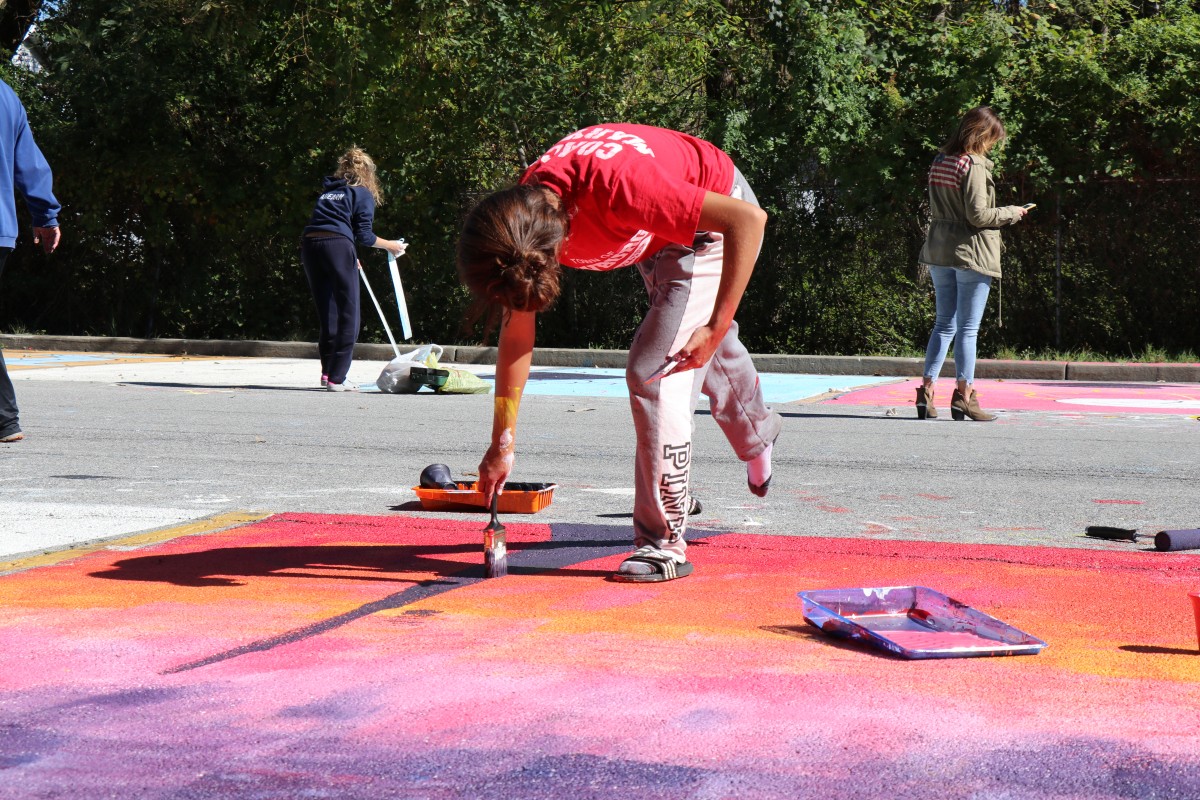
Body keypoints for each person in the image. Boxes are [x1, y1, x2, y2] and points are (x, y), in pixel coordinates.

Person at [457, 124, 782, 582]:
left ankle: (661, 543)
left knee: (656, 370)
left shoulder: (619, 190)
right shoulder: (525, 218)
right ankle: (756, 437)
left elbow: (749, 219)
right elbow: (516, 336)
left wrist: (717, 322)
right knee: (692, 347)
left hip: (716, 217)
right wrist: (501, 442)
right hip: (656, 228)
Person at [916, 106, 1028, 422]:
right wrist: (1012, 212)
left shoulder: (940, 160)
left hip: (939, 249)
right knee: (967, 328)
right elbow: (978, 215)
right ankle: (964, 395)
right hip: (971, 252)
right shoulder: (974, 164)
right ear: (980, 135)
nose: (992, 145)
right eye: (992, 139)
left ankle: (927, 392)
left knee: (943, 323)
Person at [301, 147, 406, 391]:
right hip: (337, 246)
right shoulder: (362, 194)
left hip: (310, 245)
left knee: (329, 314)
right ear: (368, 174)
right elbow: (365, 236)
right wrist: (391, 246)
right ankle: (338, 378)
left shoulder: (329, 193)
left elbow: (331, 225)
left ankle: (328, 373)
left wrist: (349, 254)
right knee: (350, 313)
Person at [0, 79, 61, 444]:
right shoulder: (6, 95)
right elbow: (29, 164)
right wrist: (46, 215)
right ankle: (4, 421)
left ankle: (5, 420)